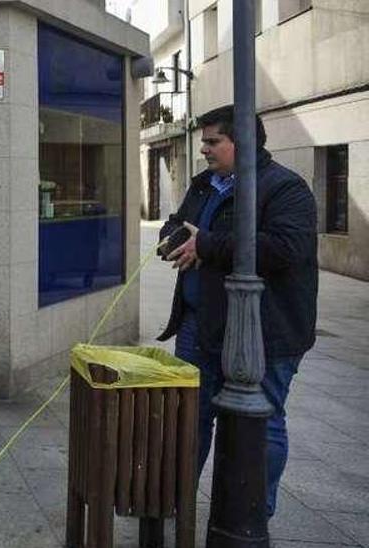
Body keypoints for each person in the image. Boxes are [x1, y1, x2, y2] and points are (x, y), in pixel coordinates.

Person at [156, 104, 317, 517]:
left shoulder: (285, 188)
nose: (204, 150)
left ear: (241, 143)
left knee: (260, 423)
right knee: (189, 419)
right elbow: (180, 222)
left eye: (213, 142)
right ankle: (177, 504)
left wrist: (207, 245)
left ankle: (250, 515)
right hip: (198, 325)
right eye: (204, 141)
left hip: (265, 332)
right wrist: (172, 237)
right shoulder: (204, 184)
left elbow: (284, 249)